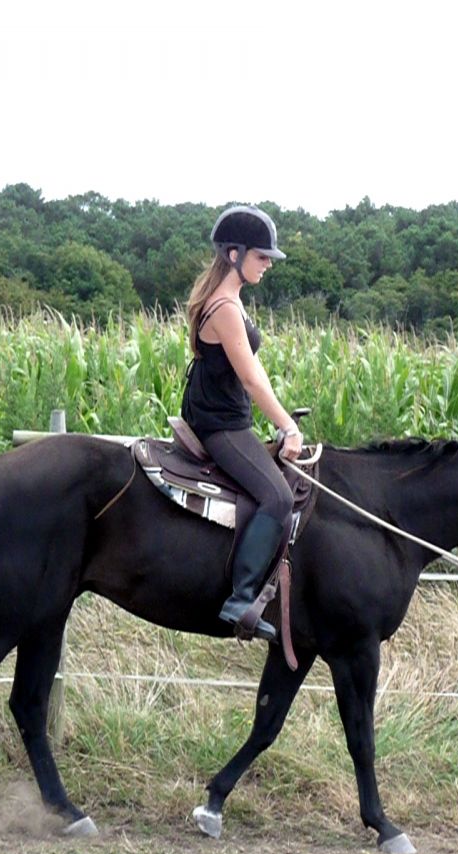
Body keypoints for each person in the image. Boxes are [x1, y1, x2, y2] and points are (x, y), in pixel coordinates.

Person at [180, 205, 302, 642]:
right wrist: (287, 428)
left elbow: (254, 369)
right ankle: (241, 598)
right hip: (220, 426)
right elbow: (249, 380)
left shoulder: (231, 301)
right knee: (277, 497)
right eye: (262, 256)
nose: (268, 264)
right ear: (235, 254)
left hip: (230, 419)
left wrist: (284, 416)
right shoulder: (224, 308)